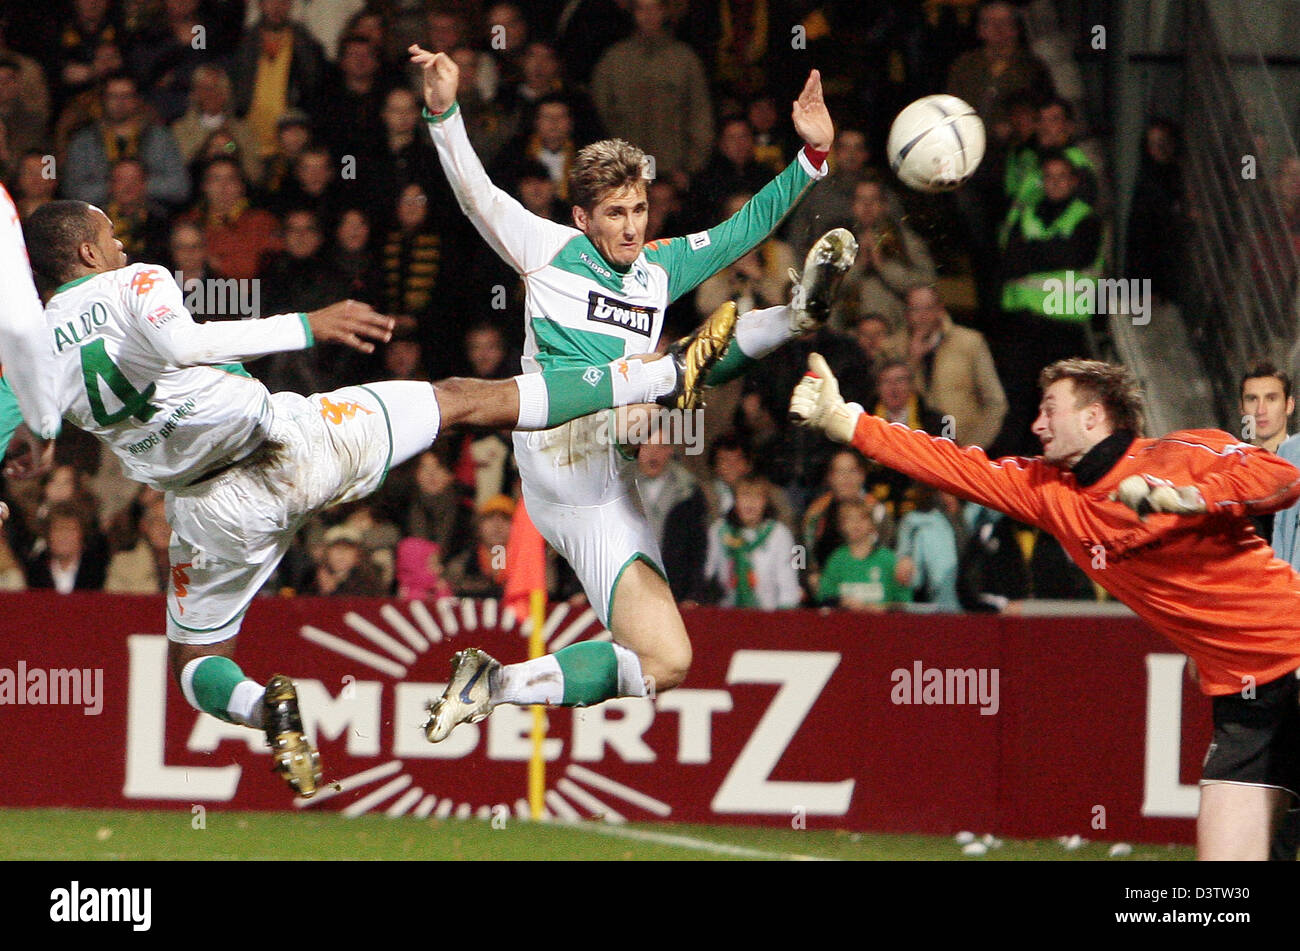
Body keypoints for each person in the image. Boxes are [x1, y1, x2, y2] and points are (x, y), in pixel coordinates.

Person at [2, 198, 721, 799]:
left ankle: (267, 707)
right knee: (460, 401)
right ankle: (650, 378)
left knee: (193, 661)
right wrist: (306, 325)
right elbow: (185, 344)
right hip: (292, 445)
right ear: (88, 254)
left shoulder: (26, 352)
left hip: (210, 510)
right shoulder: (137, 284)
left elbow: (13, 435)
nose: (122, 244)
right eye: (110, 234)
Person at [410, 44, 855, 739]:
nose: (631, 226)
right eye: (615, 213)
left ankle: (495, 682)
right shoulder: (546, 248)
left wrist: (811, 159)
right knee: (653, 387)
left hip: (607, 490)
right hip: (558, 446)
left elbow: (745, 229)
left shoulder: (656, 269)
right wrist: (443, 108)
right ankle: (768, 329)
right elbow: (475, 192)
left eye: (640, 209)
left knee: (667, 660)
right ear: (584, 218)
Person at [791, 352, 1300, 860]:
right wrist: (847, 421)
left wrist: (1193, 497)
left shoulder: (1181, 451)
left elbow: (1281, 478)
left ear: (1093, 416)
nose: (1036, 424)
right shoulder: (1049, 491)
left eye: (1049, 409)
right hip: (1244, 703)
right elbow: (951, 465)